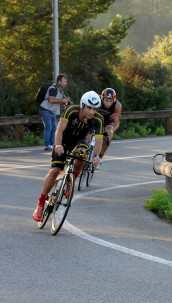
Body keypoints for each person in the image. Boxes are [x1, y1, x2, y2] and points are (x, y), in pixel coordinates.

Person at [32, 91, 104, 222]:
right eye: (89, 107)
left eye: (94, 109)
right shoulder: (71, 111)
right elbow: (59, 130)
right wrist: (58, 145)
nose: (91, 112)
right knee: (55, 171)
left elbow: (99, 140)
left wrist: (97, 156)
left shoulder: (98, 119)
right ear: (82, 105)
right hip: (63, 140)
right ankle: (41, 203)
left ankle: (71, 181)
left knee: (83, 152)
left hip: (79, 141)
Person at [39, 73, 70, 150]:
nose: (65, 83)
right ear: (59, 81)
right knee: (49, 127)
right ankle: (48, 145)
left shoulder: (60, 90)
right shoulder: (53, 88)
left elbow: (59, 100)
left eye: (66, 81)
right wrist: (62, 100)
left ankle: (53, 144)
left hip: (51, 111)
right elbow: (51, 99)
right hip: (45, 110)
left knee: (55, 128)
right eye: (64, 81)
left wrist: (64, 102)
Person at [95, 88, 122, 166]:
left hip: (108, 120)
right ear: (102, 97)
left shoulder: (117, 106)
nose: (108, 103)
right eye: (106, 100)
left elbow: (117, 123)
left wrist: (112, 131)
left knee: (109, 135)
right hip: (96, 118)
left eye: (110, 101)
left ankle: (100, 156)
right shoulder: (96, 99)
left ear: (114, 100)